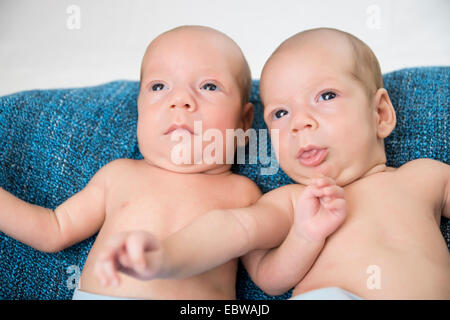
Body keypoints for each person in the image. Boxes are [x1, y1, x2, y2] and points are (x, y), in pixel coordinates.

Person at [95, 28, 450, 300]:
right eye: (280, 113)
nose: (299, 122)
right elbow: (236, 236)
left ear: (381, 113)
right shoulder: (293, 201)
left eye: (325, 96)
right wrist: (165, 256)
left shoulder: (425, 177)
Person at [0, 25, 263, 300]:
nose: (180, 100)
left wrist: (306, 231)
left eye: (209, 86)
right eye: (159, 86)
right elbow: (53, 229)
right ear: (138, 109)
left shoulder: (243, 193)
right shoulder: (119, 176)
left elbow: (268, 279)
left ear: (245, 123)